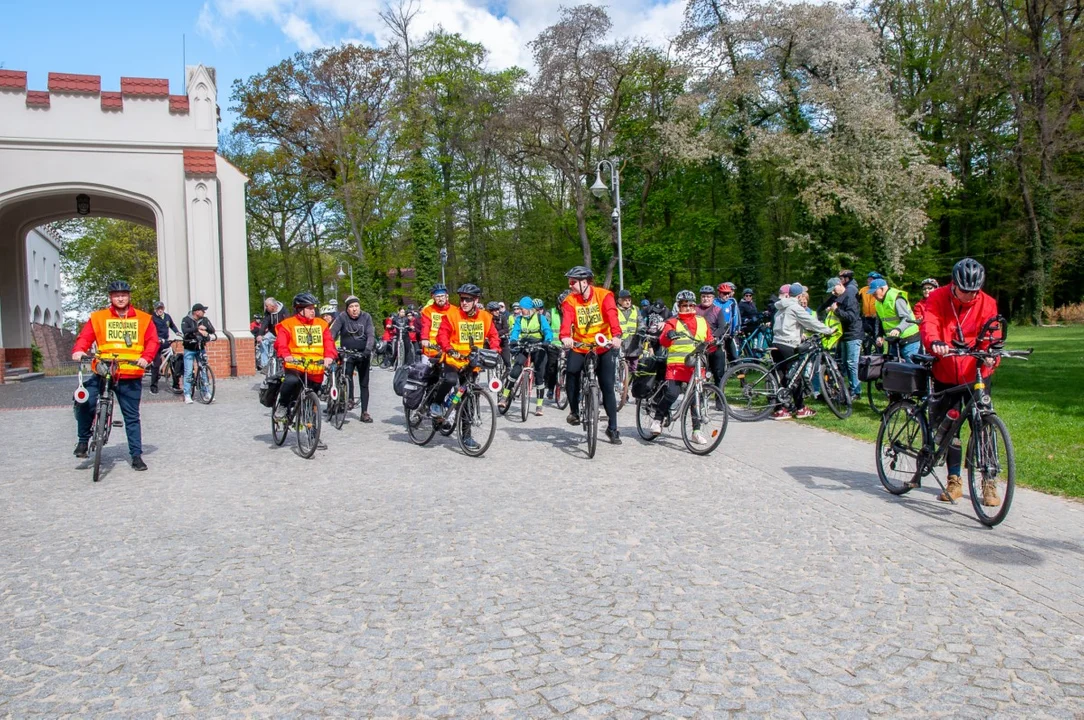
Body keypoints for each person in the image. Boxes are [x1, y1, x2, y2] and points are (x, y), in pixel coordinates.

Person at [921, 258, 1002, 505]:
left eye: (973, 292)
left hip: (976, 372)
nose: (968, 296)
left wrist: (991, 356)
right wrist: (934, 343)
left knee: (984, 424)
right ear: (954, 284)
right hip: (947, 371)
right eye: (963, 291)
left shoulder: (987, 302)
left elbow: (993, 334)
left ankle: (989, 483)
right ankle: (954, 480)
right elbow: (930, 323)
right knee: (950, 428)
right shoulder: (937, 297)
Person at [71, 280, 159, 471]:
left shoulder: (143, 319)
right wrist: (79, 350)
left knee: (132, 417)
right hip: (103, 372)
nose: (120, 298)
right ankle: (83, 441)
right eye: (116, 295)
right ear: (111, 297)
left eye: (124, 295)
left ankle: (136, 455)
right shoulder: (99, 317)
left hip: (130, 374)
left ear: (129, 297)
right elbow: (85, 337)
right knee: (84, 400)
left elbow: (152, 341)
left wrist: (146, 357)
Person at [560, 265, 624, 444]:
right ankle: (574, 411)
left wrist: (617, 336)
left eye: (573, 281)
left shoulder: (604, 296)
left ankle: (613, 428)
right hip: (580, 345)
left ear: (585, 282)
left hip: (603, 346)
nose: (570, 285)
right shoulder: (570, 300)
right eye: (569, 281)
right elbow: (567, 321)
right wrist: (565, 337)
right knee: (571, 372)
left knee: (607, 385)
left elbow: (612, 316)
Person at [435, 283, 502, 451]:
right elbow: (441, 334)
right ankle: (436, 403)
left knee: (470, 398)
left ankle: (466, 436)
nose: (463, 302)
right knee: (450, 380)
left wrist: (494, 351)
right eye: (462, 299)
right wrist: (449, 349)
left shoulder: (485, 317)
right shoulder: (452, 315)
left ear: (476, 300)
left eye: (468, 300)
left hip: (472, 363)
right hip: (453, 359)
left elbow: (493, 336)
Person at [650, 290, 717, 443]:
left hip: (696, 367)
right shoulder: (672, 322)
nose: (688, 308)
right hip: (677, 365)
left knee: (696, 399)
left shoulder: (702, 321)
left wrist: (715, 344)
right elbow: (663, 340)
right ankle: (657, 419)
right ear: (678, 306)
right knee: (672, 394)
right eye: (684, 305)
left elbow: (709, 341)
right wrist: (668, 335)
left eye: (691, 305)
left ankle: (696, 431)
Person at [770, 282, 836, 420]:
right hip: (789, 344)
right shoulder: (795, 307)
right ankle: (800, 408)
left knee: (782, 377)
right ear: (799, 296)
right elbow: (811, 321)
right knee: (797, 375)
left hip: (776, 342)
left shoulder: (781, 306)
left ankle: (779, 409)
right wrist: (828, 330)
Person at [274, 292, 337, 422]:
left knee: (314, 397)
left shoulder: (321, 324)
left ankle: (313, 434)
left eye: (313, 308)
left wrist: (329, 356)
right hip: (295, 364)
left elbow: (329, 342)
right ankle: (283, 405)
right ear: (299, 309)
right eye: (309, 308)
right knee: (291, 381)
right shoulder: (288, 324)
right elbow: (281, 343)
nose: (312, 311)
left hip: (315, 366)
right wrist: (286, 355)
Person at [502, 295, 554, 415]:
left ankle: (539, 406)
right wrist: (514, 340)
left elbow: (547, 331)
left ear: (530, 308)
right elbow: (515, 330)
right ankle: (504, 397)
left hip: (539, 346)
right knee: (515, 369)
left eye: (523, 308)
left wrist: (547, 340)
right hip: (525, 346)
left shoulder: (540, 318)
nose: (521, 311)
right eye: (520, 308)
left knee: (540, 376)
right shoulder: (520, 319)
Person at [329, 295, 375, 422]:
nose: (354, 309)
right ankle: (349, 399)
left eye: (356, 306)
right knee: (347, 376)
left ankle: (364, 412)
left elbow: (371, 334)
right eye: (351, 307)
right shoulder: (342, 317)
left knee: (364, 383)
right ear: (347, 309)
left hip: (363, 353)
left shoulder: (366, 317)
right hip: (347, 353)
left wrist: (367, 349)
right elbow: (332, 332)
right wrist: (330, 347)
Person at [824, 276, 862, 399]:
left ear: (840, 284)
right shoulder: (840, 297)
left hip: (854, 334)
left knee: (852, 363)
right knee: (845, 363)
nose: (833, 293)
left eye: (834, 290)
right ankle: (852, 389)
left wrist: (836, 311)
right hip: (845, 335)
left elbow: (851, 317)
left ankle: (855, 390)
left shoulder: (849, 297)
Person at [870, 278, 921, 362]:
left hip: (909, 339)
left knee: (912, 368)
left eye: (875, 292)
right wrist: (879, 335)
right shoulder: (878, 302)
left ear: (882, 289)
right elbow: (880, 321)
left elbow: (906, 319)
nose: (873, 295)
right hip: (894, 340)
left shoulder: (897, 298)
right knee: (893, 369)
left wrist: (898, 329)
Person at [181, 303, 217, 404]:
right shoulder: (186, 319)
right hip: (189, 348)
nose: (204, 312)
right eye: (202, 310)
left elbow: (212, 330)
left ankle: (206, 392)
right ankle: (187, 394)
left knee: (204, 370)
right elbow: (185, 330)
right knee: (188, 371)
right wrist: (197, 329)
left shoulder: (204, 319)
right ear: (196, 312)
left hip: (201, 347)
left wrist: (205, 328)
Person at [696, 286, 727, 384]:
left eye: (708, 297)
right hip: (698, 345)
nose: (706, 299)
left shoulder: (717, 310)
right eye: (703, 296)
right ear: (700, 297)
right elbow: (679, 316)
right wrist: (665, 322)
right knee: (696, 373)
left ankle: (719, 396)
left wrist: (713, 337)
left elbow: (722, 327)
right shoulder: (694, 309)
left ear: (713, 298)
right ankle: (695, 396)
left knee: (718, 372)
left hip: (713, 344)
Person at [149, 300, 180, 394]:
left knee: (175, 361)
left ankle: (176, 384)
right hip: (156, 343)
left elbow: (172, 325)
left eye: (161, 308)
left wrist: (177, 332)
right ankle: (153, 386)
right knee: (156, 364)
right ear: (155, 309)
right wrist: (157, 338)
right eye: (158, 308)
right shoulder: (152, 318)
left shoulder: (167, 317)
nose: (160, 310)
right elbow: (150, 330)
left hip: (165, 342)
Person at [545, 291, 570, 400]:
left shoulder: (573, 312)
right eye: (562, 305)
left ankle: (574, 391)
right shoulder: (551, 313)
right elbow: (545, 328)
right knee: (552, 368)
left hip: (569, 346)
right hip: (554, 345)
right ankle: (551, 388)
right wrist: (547, 340)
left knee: (573, 369)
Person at [256, 297, 287, 371]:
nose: (265, 308)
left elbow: (287, 323)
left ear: (273, 307)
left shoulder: (284, 311)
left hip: (282, 333)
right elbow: (265, 322)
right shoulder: (268, 312)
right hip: (272, 332)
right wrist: (260, 334)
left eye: (267, 306)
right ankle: (265, 365)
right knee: (263, 341)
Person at [859, 272, 882, 353]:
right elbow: (856, 301)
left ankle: (879, 353)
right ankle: (866, 352)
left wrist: (877, 313)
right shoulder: (863, 290)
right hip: (866, 317)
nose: (868, 280)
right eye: (868, 278)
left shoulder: (879, 289)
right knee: (865, 337)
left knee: (877, 335)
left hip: (876, 317)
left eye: (871, 279)